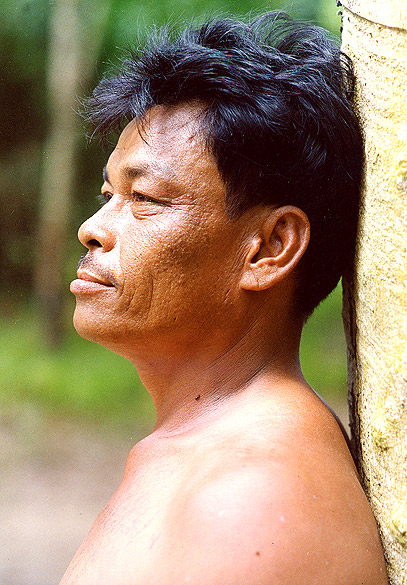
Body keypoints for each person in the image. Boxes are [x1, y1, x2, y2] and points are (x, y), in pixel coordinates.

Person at [64, 12, 388, 584]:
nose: (93, 227)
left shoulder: (254, 498)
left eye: (145, 198)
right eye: (108, 192)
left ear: (269, 248)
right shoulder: (206, 449)